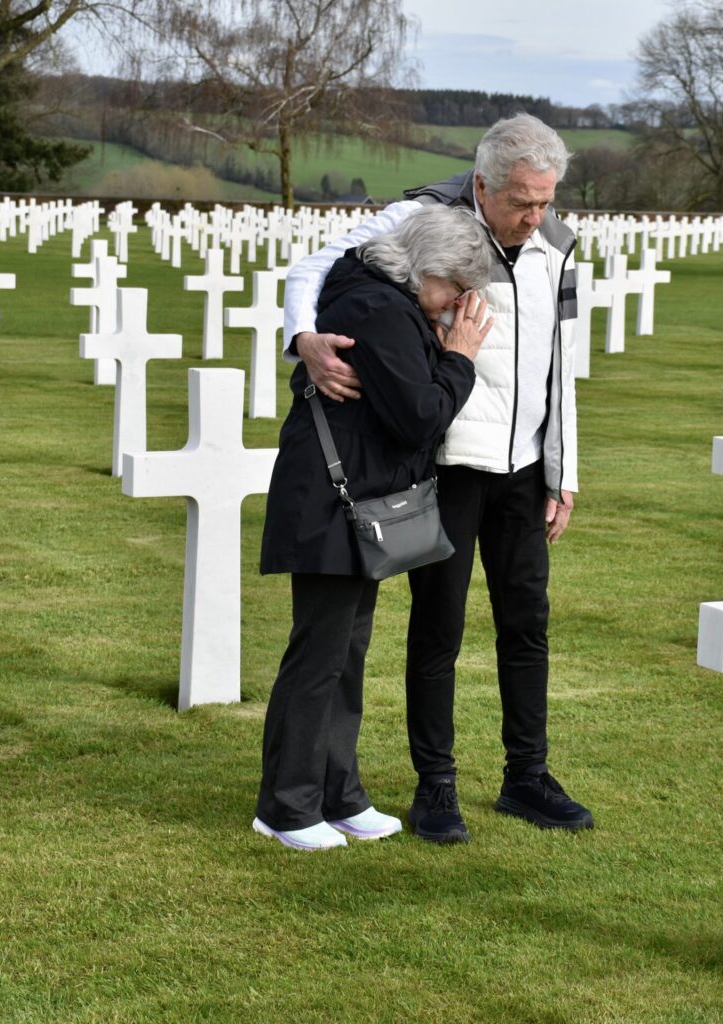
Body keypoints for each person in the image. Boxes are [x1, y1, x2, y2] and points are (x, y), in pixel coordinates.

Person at [282, 113, 593, 844]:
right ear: (481, 184)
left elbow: (560, 367)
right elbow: (311, 269)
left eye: (545, 200)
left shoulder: (557, 246)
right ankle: (437, 788)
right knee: (438, 631)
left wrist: (563, 472)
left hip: (523, 468)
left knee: (527, 625)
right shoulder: (419, 218)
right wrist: (305, 340)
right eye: (521, 201)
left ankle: (527, 776)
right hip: (448, 462)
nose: (534, 216)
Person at [253, 206, 495, 850]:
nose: (458, 306)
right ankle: (286, 805)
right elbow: (420, 416)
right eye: (457, 289)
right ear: (428, 273)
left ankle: (340, 793)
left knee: (347, 654)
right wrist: (460, 358)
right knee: (319, 656)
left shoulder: (382, 299)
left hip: (354, 498)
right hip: (332, 502)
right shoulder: (378, 310)